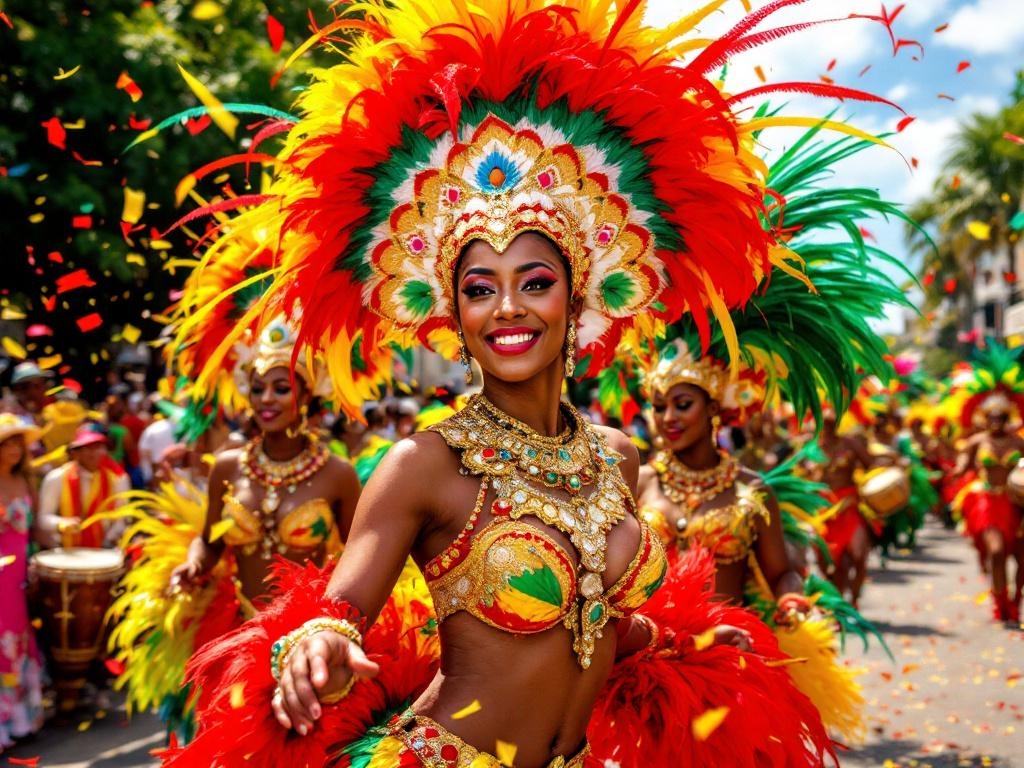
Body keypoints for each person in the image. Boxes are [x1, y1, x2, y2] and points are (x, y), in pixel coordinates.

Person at [151, 1, 911, 766]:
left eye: (535, 280)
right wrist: (316, 644)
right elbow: (341, 605)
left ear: (578, 298)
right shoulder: (425, 464)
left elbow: (594, 625)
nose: (507, 307)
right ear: (451, 312)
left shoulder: (617, 456)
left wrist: (684, 638)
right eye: (480, 288)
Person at [169, 317, 361, 604]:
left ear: (306, 395)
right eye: (257, 389)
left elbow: (358, 555)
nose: (266, 399)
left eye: (281, 388)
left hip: (307, 634)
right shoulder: (227, 466)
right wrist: (194, 564)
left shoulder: (338, 474)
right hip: (239, 626)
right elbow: (209, 543)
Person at [953, 376, 1024, 623]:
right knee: (996, 552)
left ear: (1007, 419)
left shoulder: (1020, 443)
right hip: (988, 504)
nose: (996, 422)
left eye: (1001, 417)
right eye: (991, 417)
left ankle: (1016, 601)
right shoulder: (977, 441)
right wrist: (958, 468)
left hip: (1017, 504)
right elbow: (962, 463)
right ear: (986, 418)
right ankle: (1000, 600)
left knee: (1021, 558)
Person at [0, 415, 45, 749]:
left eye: (19, 442)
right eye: (8, 443)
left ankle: (21, 719)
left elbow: (37, 528)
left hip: (20, 575)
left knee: (19, 639)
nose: (15, 449)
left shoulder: (28, 480)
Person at [35, 424, 130, 549]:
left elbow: (121, 518)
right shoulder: (56, 478)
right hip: (66, 550)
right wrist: (60, 523)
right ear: (75, 452)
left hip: (104, 550)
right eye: (87, 447)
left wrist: (109, 539)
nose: (93, 452)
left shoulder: (118, 480)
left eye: (98, 447)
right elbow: (42, 518)